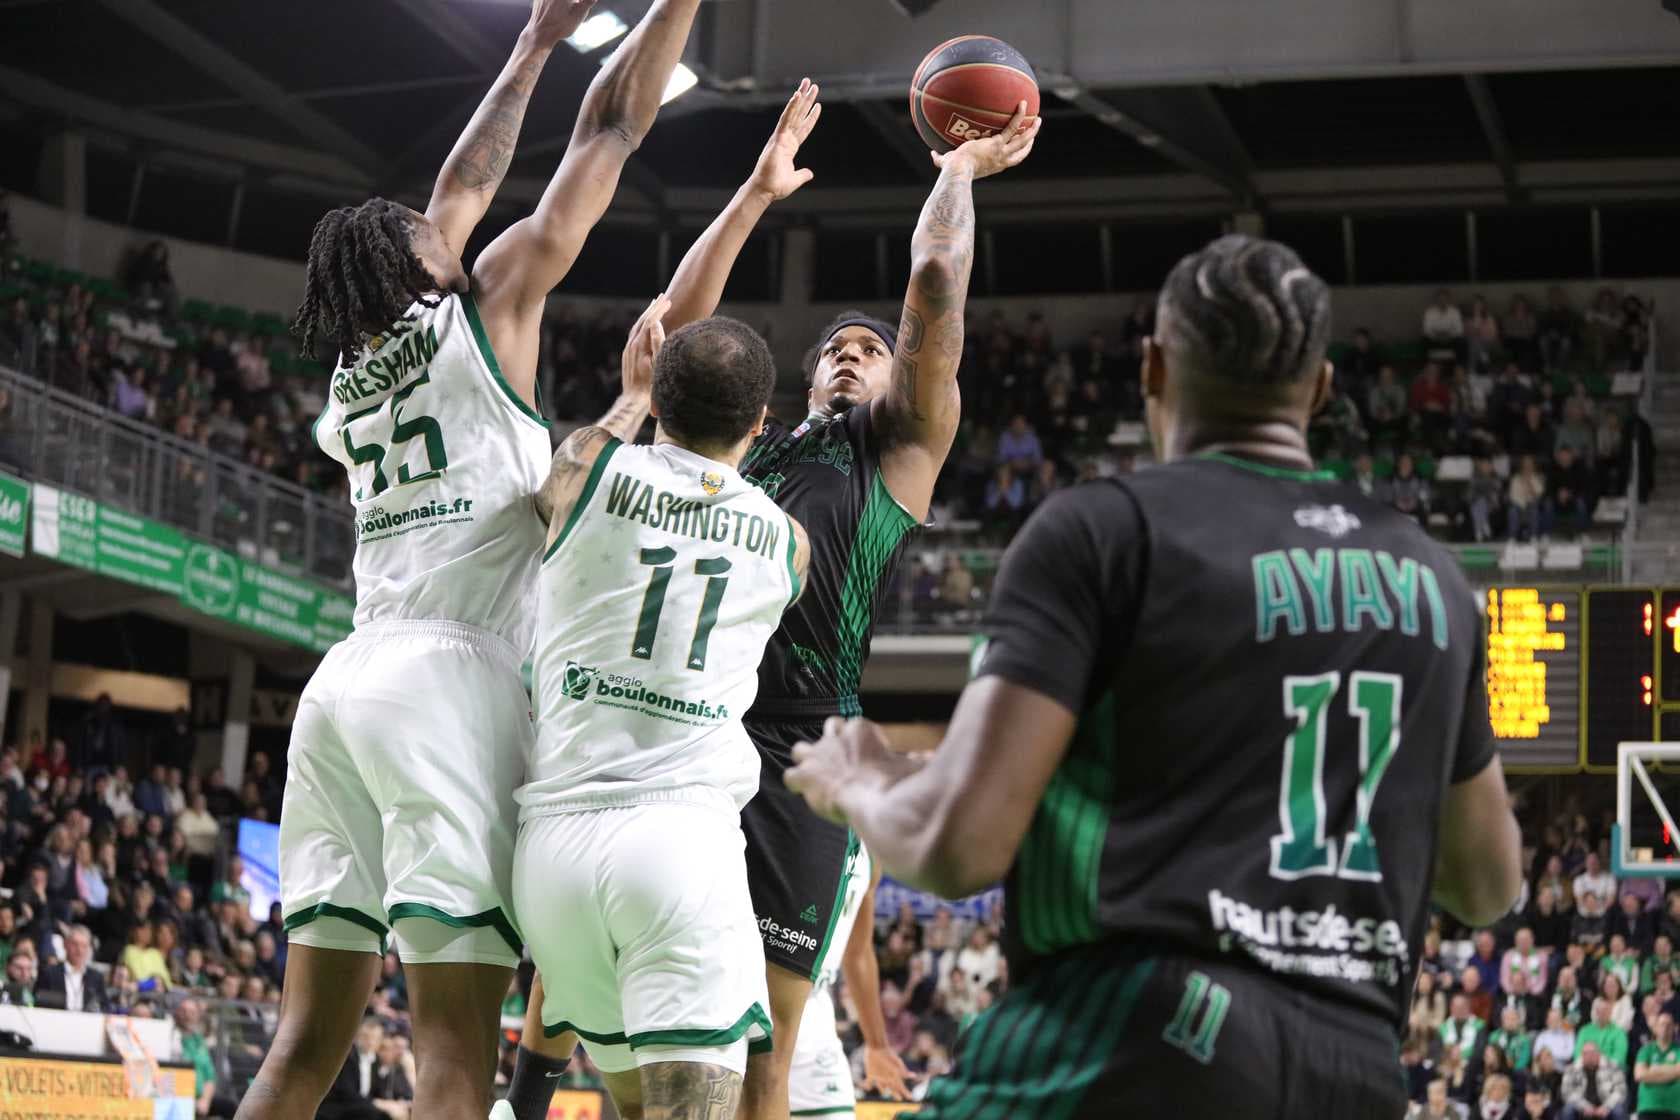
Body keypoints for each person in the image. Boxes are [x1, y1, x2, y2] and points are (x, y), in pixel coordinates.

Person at [783, 234, 1522, 1117]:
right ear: (1320, 389)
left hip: (1129, 1042)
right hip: (1356, 1067)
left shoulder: (1102, 532)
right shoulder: (1431, 578)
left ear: (1153, 369)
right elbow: (1488, 886)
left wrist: (859, 780)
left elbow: (958, 847)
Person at [238, 3, 705, 1119]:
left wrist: (535, 40)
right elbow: (610, 132)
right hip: (453, 681)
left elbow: (453, 191)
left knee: (303, 1045)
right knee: (455, 1057)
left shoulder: (358, 367)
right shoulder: (488, 302)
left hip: (344, 687)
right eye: (424, 224)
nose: (441, 214)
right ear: (422, 261)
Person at [568, 85, 1039, 1120]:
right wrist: (753, 195)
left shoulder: (894, 454)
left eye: (867, 352)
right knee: (651, 1041)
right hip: (687, 732)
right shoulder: (752, 446)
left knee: (767, 1046)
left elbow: (932, 291)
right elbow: (674, 343)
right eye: (835, 345)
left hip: (799, 757)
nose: (849, 353)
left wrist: (955, 177)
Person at [508, 309, 808, 1119]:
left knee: (635, 1105)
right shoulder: (788, 543)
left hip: (554, 856)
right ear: (758, 422)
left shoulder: (586, 468)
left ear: (660, 401)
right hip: (679, 846)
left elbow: (558, 484)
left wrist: (629, 399)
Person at [788, 856, 912, 1120]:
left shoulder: (870, 856)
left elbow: (858, 953)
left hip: (814, 1009)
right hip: (759, 1001)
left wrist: (877, 1045)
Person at [178, 998, 240, 1117]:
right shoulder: (172, 1037)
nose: (187, 1016)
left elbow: (210, 1077)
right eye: (183, 1011)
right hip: (179, 1097)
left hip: (200, 1098)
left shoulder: (199, 1041)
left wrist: (205, 1100)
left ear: (197, 1016)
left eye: (192, 1013)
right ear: (177, 1014)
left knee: (230, 1107)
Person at [35, 924, 107, 1012]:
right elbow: (39, 1002)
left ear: (89, 949)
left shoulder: (96, 977)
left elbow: (104, 1006)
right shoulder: (49, 973)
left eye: (84, 946)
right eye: (75, 944)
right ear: (65, 945)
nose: (79, 950)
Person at [1560, 1041, 1627, 1120]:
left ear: (1599, 1054)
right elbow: (1566, 1092)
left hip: (1606, 1104)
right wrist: (1584, 1106)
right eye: (1586, 1053)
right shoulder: (1571, 1069)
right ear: (1582, 1055)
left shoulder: (1613, 1067)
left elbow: (1620, 1091)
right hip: (1581, 1105)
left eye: (1592, 1053)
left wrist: (1606, 1107)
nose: (1589, 1056)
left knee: (1618, 1110)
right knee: (1568, 1109)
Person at [1635, 1011, 1680, 1120]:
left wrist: (1653, 1070)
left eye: (1669, 1024)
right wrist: (1672, 1071)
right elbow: (1640, 1075)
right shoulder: (1645, 1050)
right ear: (1655, 1028)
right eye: (1662, 1024)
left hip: (1673, 1108)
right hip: (1648, 1106)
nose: (1665, 1027)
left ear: (1674, 1028)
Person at [1578, 998, 1629, 1068]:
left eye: (1605, 1010)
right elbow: (1578, 1054)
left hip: (1611, 1069)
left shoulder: (1619, 1032)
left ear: (1611, 1012)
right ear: (1596, 1012)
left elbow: (1619, 1057)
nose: (1602, 1013)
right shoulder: (1584, 1031)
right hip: (1586, 1067)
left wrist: (1600, 1062)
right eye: (1600, 1010)